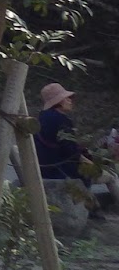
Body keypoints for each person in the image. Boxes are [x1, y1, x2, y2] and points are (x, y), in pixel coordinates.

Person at [35, 82, 119, 212]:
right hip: (60, 169)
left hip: (44, 166)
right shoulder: (62, 121)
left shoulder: (41, 118)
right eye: (67, 98)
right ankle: (94, 210)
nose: (70, 100)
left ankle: (94, 208)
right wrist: (89, 162)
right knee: (111, 177)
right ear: (59, 102)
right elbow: (70, 151)